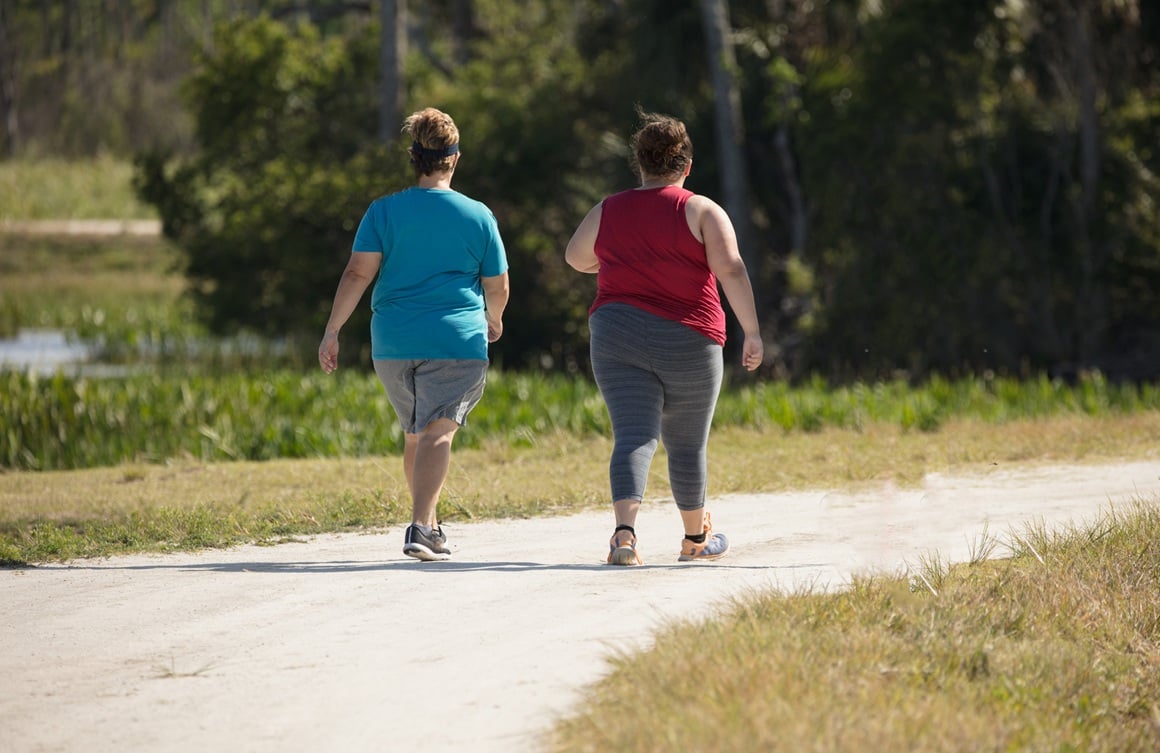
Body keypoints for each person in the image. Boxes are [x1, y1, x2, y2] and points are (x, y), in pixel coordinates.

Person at [564, 109, 763, 565]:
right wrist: (751, 331)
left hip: (617, 333)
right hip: (689, 337)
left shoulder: (609, 208)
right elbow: (730, 267)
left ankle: (624, 536)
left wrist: (612, 262)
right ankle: (695, 540)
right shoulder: (701, 209)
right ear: (686, 167)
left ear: (640, 164)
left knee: (633, 436)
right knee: (687, 442)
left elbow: (576, 257)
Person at [319, 107, 509, 562]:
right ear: (455, 158)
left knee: (416, 434)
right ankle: (421, 526)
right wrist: (495, 319)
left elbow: (355, 274)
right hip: (455, 340)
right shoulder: (478, 215)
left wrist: (332, 331)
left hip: (393, 344)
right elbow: (497, 285)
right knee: (438, 434)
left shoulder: (383, 211)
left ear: (414, 157)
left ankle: (431, 522)